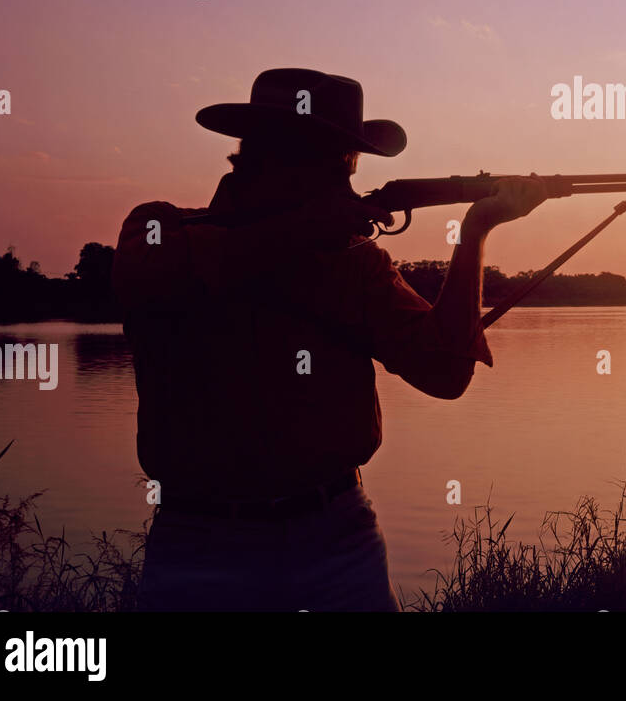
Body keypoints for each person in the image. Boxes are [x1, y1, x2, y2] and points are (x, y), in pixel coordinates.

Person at [111, 68, 546, 611]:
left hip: (337, 536)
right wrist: (310, 228)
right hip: (198, 543)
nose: (347, 180)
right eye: (337, 161)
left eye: (348, 164)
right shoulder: (159, 230)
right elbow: (149, 274)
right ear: (270, 154)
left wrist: (476, 230)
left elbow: (445, 373)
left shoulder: (354, 262)